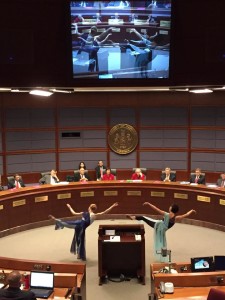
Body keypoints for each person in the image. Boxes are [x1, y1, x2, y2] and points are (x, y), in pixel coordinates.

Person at [127, 202, 196, 262]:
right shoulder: (176, 218)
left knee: (144, 217)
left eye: (170, 206)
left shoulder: (166, 214)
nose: (169, 207)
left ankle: (133, 218)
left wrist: (148, 204)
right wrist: (191, 211)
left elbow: (156, 209)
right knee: (162, 243)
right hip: (162, 231)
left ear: (171, 209)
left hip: (157, 226)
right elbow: (186, 214)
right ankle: (163, 256)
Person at [48, 202, 118, 260]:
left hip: (79, 225)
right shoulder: (93, 215)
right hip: (80, 226)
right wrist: (112, 206)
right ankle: (79, 255)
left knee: (67, 224)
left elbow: (73, 213)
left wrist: (69, 207)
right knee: (80, 241)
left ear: (89, 207)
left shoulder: (88, 214)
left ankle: (56, 220)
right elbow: (104, 212)